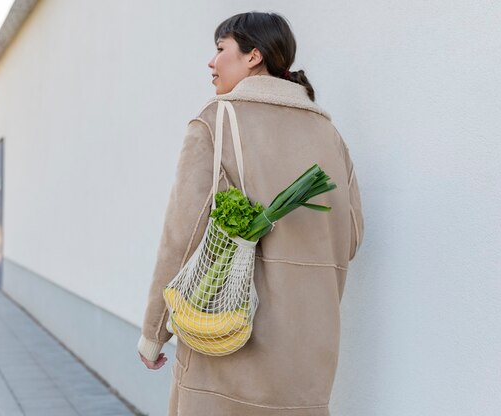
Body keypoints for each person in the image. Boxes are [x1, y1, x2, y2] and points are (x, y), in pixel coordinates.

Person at [137, 11, 364, 416]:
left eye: (220, 49)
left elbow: (182, 236)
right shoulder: (330, 135)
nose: (211, 62)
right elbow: (351, 237)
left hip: (228, 342)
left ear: (253, 55)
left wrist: (155, 332)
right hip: (309, 352)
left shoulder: (217, 120)